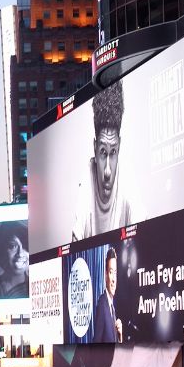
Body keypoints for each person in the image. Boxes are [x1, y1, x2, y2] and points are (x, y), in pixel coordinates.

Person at [71, 80, 130, 242]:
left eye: (113, 152)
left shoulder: (128, 181)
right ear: (95, 148)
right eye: (103, 152)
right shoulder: (87, 180)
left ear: (120, 146)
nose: (107, 172)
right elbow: (75, 240)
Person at [0, 221, 29, 299]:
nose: (20, 253)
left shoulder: (34, 288)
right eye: (12, 246)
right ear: (1, 249)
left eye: (25, 246)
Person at [93, 247, 122, 343]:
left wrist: (120, 337)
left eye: (115, 273)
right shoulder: (102, 304)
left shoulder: (112, 307)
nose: (113, 279)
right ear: (105, 275)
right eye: (110, 272)